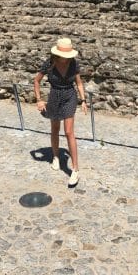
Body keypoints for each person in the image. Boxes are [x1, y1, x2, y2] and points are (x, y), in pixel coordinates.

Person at [34, 37, 87, 187]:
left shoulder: (73, 63)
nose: (66, 58)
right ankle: (56, 156)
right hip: (54, 96)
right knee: (55, 129)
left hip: (69, 96)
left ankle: (75, 169)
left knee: (69, 131)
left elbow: (79, 83)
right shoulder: (50, 64)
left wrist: (83, 100)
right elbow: (36, 81)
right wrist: (38, 99)